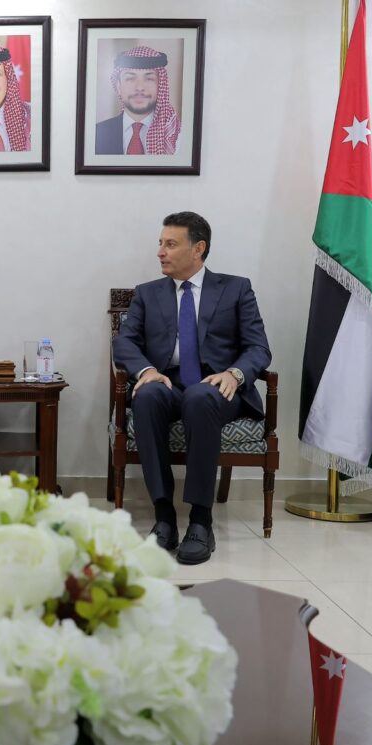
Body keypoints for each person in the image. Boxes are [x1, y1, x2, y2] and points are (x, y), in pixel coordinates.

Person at [112, 212, 270, 565]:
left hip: (218, 387)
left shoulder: (236, 289)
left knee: (200, 396)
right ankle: (164, 518)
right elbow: (124, 343)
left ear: (198, 248)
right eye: (160, 243)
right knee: (147, 395)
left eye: (170, 244)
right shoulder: (148, 293)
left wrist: (235, 374)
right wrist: (147, 371)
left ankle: (200, 521)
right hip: (167, 382)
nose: (160, 252)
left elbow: (259, 347)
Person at [95, 46, 181, 156]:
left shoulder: (177, 137)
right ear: (119, 87)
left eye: (149, 79)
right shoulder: (96, 134)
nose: (140, 87)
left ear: (160, 86)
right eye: (130, 78)